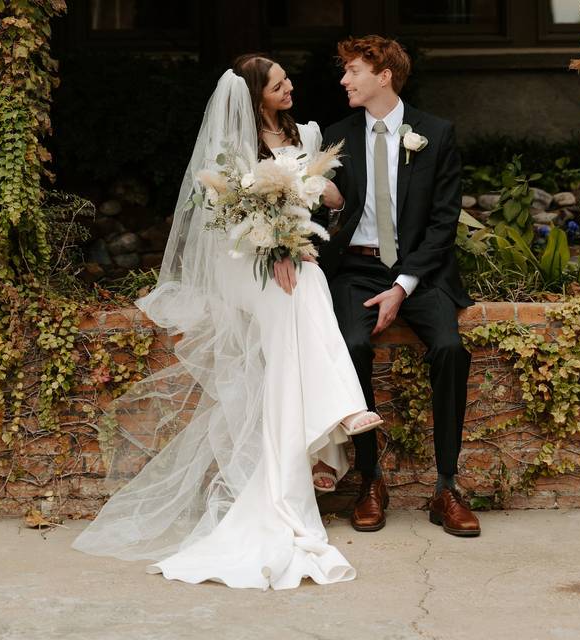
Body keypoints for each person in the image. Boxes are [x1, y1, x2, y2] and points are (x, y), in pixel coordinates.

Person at [71, 54, 382, 590]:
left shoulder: (306, 133)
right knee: (303, 286)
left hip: (294, 255)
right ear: (256, 94)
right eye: (280, 84)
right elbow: (229, 219)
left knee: (303, 296)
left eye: (288, 82)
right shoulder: (232, 148)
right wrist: (278, 246)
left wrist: (323, 204)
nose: (291, 88)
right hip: (246, 261)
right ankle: (341, 414)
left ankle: (326, 433)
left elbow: (327, 202)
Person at [315, 36, 480, 537]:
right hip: (358, 269)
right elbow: (324, 212)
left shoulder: (435, 132)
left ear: (383, 75)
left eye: (353, 71)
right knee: (353, 345)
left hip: (419, 272)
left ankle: (447, 486)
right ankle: (371, 482)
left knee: (450, 348)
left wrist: (404, 286)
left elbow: (443, 222)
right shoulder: (336, 135)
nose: (344, 80)